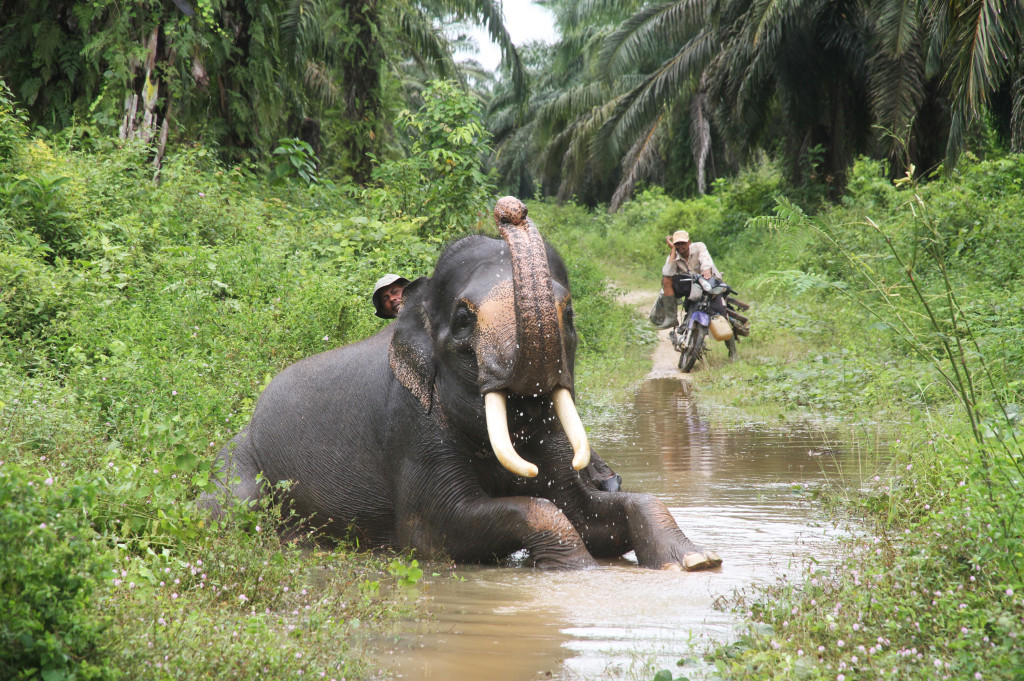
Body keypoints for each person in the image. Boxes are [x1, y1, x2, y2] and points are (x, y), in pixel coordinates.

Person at [655, 230, 721, 330]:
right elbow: (667, 273)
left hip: (709, 282)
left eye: (683, 243)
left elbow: (705, 259)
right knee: (666, 280)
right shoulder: (674, 254)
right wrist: (673, 250)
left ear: (689, 242)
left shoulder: (699, 246)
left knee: (721, 314)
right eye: (677, 244)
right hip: (691, 284)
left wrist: (706, 270)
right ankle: (671, 318)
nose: (680, 246)